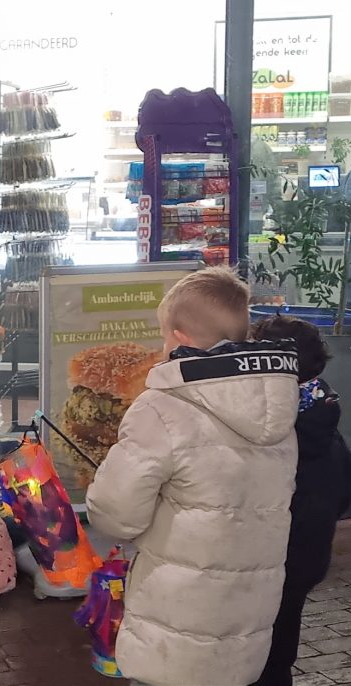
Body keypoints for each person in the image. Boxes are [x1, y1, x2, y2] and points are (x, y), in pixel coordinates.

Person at [85, 266, 300, 686]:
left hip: (173, 624)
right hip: (246, 624)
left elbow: (116, 514)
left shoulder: (161, 408)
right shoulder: (278, 411)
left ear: (178, 338)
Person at [249, 315, 351, 686]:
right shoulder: (322, 409)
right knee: (282, 639)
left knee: (258, 646)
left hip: (273, 557)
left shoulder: (271, 431)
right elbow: (343, 493)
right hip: (308, 557)